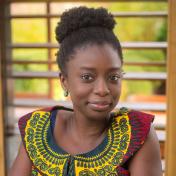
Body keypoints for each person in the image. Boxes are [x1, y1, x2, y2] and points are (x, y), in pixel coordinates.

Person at [9, 6, 162, 176]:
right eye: (87, 77)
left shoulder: (137, 132)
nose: (103, 90)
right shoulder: (37, 129)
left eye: (113, 77)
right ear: (64, 81)